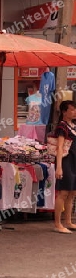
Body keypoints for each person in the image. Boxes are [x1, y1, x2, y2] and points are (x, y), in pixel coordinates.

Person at [54, 100, 76, 234]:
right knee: (63, 192)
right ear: (64, 112)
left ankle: (68, 221)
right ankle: (57, 223)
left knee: (73, 192)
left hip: (74, 161)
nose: (74, 112)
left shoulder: (73, 126)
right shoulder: (62, 127)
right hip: (66, 161)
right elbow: (60, 147)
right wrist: (59, 167)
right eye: (72, 110)